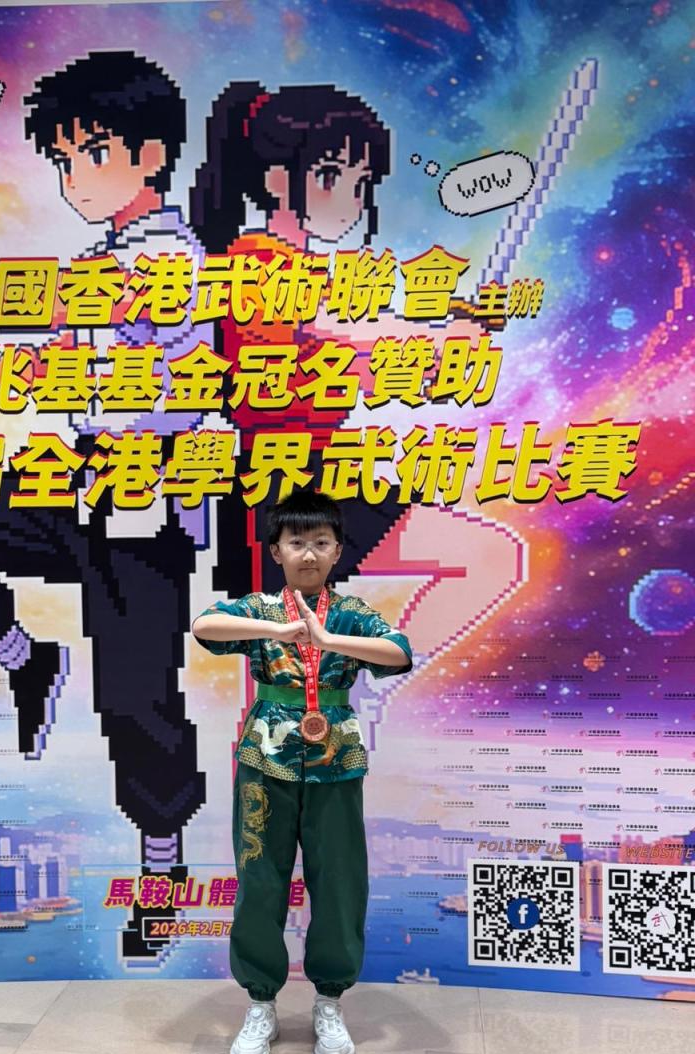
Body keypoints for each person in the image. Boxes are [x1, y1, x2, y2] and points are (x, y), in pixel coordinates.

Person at [0, 51, 214, 964]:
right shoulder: (103, 258)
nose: (73, 178)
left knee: (135, 702)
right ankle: (26, 657)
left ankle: (163, 872)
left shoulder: (173, 255)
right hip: (76, 478)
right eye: (63, 160)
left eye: (92, 154)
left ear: (149, 156)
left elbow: (72, 304)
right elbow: (66, 328)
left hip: (148, 498)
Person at [189, 81, 524, 715]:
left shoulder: (312, 270)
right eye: (331, 174)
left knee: (487, 555)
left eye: (361, 180)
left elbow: (369, 341)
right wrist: (439, 337)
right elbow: (343, 346)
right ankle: (342, 699)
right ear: (277, 179)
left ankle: (363, 685)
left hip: (329, 479)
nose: (349, 195)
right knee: (281, 688)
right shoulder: (254, 260)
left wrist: (452, 332)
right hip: (278, 487)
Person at [191, 487, 413, 1054]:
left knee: (338, 882)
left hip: (336, 760)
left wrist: (328, 640)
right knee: (260, 878)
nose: (308, 553)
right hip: (264, 760)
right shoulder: (261, 608)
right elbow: (203, 626)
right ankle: (260, 1002)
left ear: (337, 550)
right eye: (296, 542)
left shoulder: (352, 613)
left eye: (320, 542)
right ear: (277, 550)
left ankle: (330, 1002)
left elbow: (399, 651)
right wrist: (277, 633)